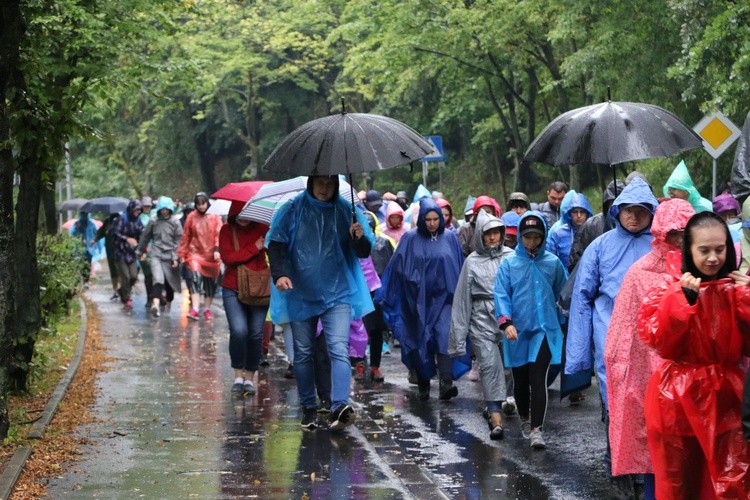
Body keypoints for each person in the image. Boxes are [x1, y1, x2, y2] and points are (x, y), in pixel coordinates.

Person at [637, 211, 750, 498]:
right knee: (679, 483)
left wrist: (746, 298)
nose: (713, 258)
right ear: (689, 250)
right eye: (704, 250)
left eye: (720, 249)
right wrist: (681, 301)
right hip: (677, 400)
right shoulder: (669, 288)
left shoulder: (737, 287)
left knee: (734, 478)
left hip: (727, 397)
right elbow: (660, 341)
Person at [566, 177, 659, 486]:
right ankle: (619, 467)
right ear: (617, 211)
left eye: (641, 210)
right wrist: (579, 354)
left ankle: (646, 470)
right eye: (628, 209)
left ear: (652, 211)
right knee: (615, 406)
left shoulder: (660, 246)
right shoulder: (599, 247)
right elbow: (581, 299)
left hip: (652, 343)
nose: (634, 216)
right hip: (612, 341)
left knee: (650, 408)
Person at [266, 175, 374, 431]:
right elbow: (276, 243)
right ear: (312, 183)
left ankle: (339, 405)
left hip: (337, 292)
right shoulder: (291, 209)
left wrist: (358, 237)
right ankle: (308, 408)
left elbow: (364, 252)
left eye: (330, 183)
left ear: (337, 184)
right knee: (303, 352)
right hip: (300, 291)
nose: (325, 188)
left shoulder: (347, 211)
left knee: (338, 347)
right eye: (320, 183)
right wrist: (280, 274)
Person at [604, 198, 694, 499]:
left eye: (685, 234)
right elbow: (621, 337)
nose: (680, 241)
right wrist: (621, 378)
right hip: (653, 383)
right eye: (674, 234)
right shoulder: (639, 274)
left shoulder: (703, 270)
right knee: (656, 460)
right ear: (660, 234)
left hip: (695, 383)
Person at [494, 211, 567, 449]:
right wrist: (506, 323)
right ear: (520, 238)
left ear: (543, 236)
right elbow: (501, 294)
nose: (531, 242)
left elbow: (562, 291)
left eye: (536, 237)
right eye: (527, 237)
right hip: (517, 330)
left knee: (539, 379)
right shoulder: (509, 265)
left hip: (545, 329)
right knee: (521, 381)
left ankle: (537, 429)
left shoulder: (553, 263)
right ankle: (524, 417)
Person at [378, 198, 464, 400]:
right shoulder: (409, 239)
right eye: (428, 219)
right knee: (421, 339)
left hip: (444, 299)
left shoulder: (450, 238)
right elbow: (396, 267)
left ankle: (445, 382)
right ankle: (424, 380)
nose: (433, 223)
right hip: (416, 300)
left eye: (436, 218)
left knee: (444, 336)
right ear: (421, 220)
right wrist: (389, 294)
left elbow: (458, 266)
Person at [449, 210, 514, 440]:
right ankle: (496, 416)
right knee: (489, 365)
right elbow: (462, 301)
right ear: (480, 236)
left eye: (497, 232)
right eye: (488, 234)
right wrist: (458, 338)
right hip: (481, 318)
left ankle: (500, 402)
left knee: (509, 366)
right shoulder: (472, 262)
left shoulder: (511, 256)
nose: (493, 238)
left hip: (507, 317)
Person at [218, 201, 270, 396]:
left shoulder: (264, 228)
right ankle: (238, 375)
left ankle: (249, 377)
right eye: (239, 214)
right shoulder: (226, 231)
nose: (243, 218)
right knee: (239, 330)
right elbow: (228, 258)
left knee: (256, 334)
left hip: (259, 288)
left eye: (247, 213)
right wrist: (255, 247)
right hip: (233, 287)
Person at [178, 192, 223, 320]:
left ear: (207, 203)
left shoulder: (215, 216)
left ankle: (207, 309)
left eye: (203, 203)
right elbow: (186, 235)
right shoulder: (191, 217)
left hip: (211, 255)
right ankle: (195, 308)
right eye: (198, 204)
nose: (201, 207)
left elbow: (218, 234)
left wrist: (217, 249)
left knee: (210, 284)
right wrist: (182, 253)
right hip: (195, 253)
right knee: (195, 279)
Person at [136, 196, 183, 318]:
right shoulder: (153, 221)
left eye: (167, 209)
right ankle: (155, 305)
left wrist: (175, 257)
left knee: (169, 283)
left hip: (170, 255)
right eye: (163, 209)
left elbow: (179, 240)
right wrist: (140, 251)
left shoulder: (175, 222)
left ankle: (168, 302)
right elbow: (145, 237)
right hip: (156, 254)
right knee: (157, 279)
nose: (165, 211)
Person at [568, 180, 625, 272]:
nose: (616, 207)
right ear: (606, 204)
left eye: (621, 204)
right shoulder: (591, 225)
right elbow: (576, 262)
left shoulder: (635, 226)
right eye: (612, 203)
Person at [111, 199, 144, 311]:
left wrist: (143, 249)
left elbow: (142, 234)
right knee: (126, 276)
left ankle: (122, 291)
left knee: (134, 276)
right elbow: (115, 233)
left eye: (140, 210)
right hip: (120, 253)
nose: (138, 212)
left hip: (131, 254)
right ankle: (127, 300)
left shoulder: (138, 221)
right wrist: (127, 239)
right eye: (136, 209)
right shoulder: (122, 219)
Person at [546, 192, 593, 270]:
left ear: (587, 213)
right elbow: (550, 259)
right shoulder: (558, 233)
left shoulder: (593, 231)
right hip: (564, 278)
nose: (579, 216)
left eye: (582, 212)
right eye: (575, 212)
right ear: (569, 213)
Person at [69, 211, 100, 284]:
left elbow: (96, 234)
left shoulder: (91, 224)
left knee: (88, 265)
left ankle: (86, 281)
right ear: (81, 214)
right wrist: (77, 228)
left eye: (86, 214)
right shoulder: (77, 223)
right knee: (81, 265)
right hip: (79, 249)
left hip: (89, 248)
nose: (85, 215)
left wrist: (94, 241)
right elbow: (72, 234)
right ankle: (82, 281)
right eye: (83, 214)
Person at [95, 212, 121, 300]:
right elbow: (101, 232)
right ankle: (115, 290)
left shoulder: (121, 220)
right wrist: (94, 240)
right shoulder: (107, 221)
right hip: (110, 249)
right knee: (113, 270)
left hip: (120, 249)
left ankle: (122, 290)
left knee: (120, 269)